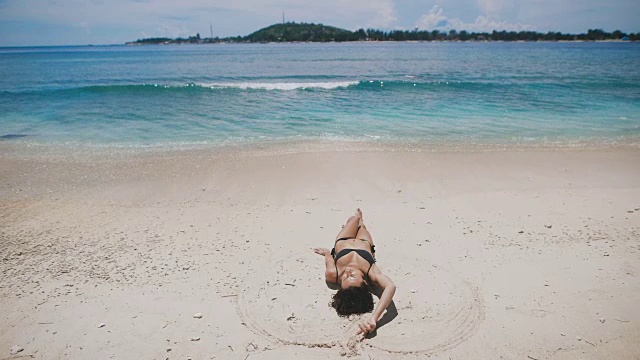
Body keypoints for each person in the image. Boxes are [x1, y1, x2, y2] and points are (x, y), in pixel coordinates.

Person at [314, 209, 396, 335]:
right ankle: (360, 222)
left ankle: (354, 221)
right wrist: (374, 318)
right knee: (361, 224)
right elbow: (391, 286)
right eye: (352, 276)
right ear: (364, 282)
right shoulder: (371, 273)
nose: (347, 273)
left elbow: (329, 258)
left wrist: (326, 253)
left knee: (354, 219)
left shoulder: (333, 274)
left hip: (344, 239)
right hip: (365, 242)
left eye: (344, 279)